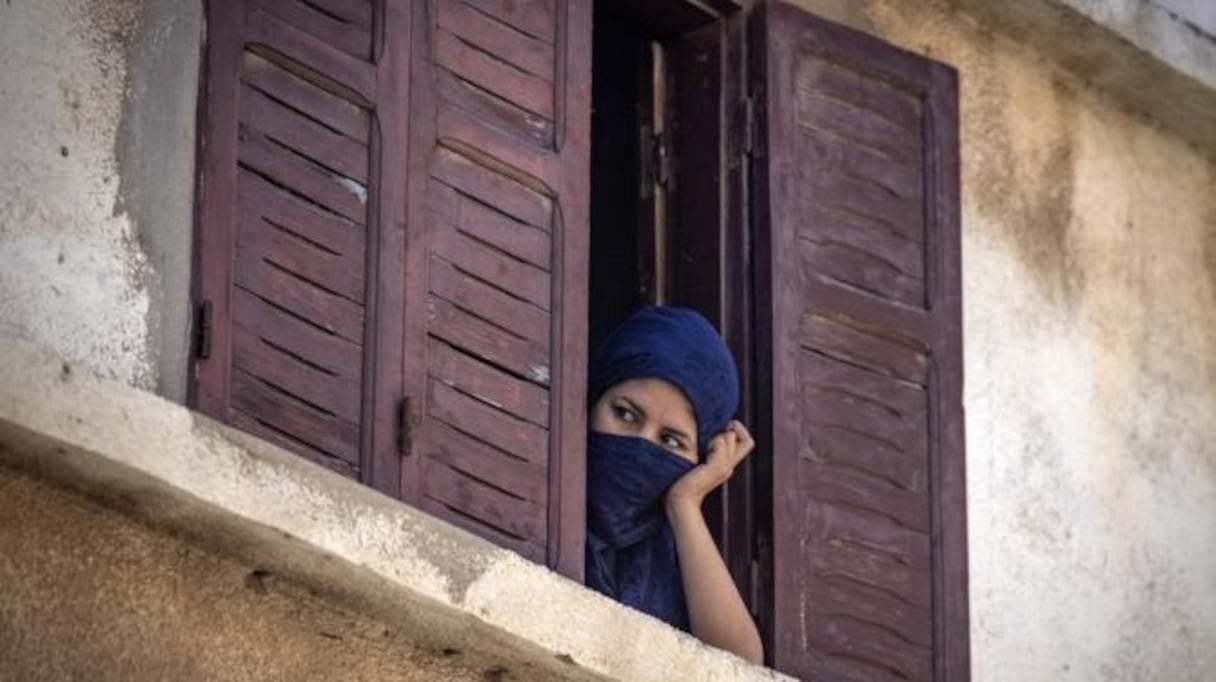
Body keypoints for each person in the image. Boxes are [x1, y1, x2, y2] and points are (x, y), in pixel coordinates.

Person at [585, 306, 764, 664]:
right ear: (590, 402)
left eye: (671, 441)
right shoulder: (536, 497)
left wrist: (684, 502)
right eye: (625, 414)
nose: (641, 442)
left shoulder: (671, 558)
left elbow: (740, 668)